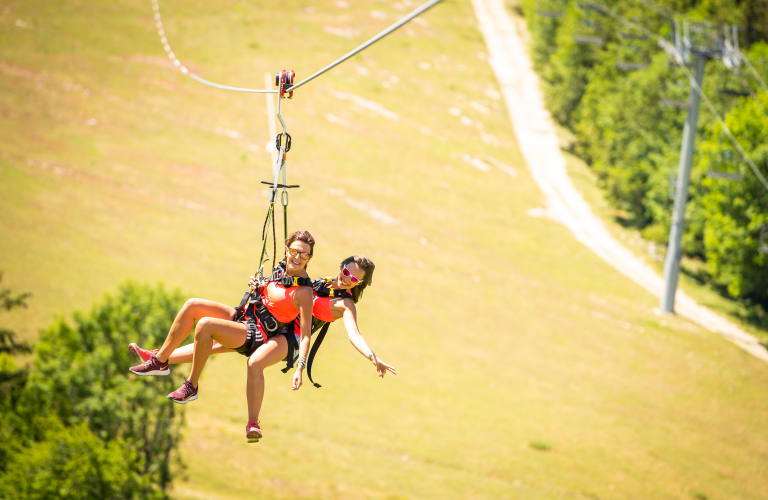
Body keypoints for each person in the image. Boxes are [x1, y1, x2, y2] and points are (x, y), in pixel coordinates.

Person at [129, 254, 395, 442]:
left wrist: (373, 356)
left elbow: (353, 333)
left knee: (253, 361)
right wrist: (264, 284)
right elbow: (291, 281)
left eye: (354, 279)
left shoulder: (344, 304)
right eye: (346, 272)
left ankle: (253, 422)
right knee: (206, 336)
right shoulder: (323, 281)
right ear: (341, 267)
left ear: (360, 285)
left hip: (287, 339)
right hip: (270, 321)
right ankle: (158, 359)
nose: (347, 279)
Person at [128, 230, 316, 442]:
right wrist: (260, 286)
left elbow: (306, 333)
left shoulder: (304, 292)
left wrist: (300, 366)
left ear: (309, 258)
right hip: (246, 317)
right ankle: (159, 361)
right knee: (192, 305)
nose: (298, 257)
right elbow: (272, 296)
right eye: (294, 251)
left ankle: (191, 385)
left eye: (304, 255)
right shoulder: (280, 270)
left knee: (206, 326)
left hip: (259, 334)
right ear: (286, 249)